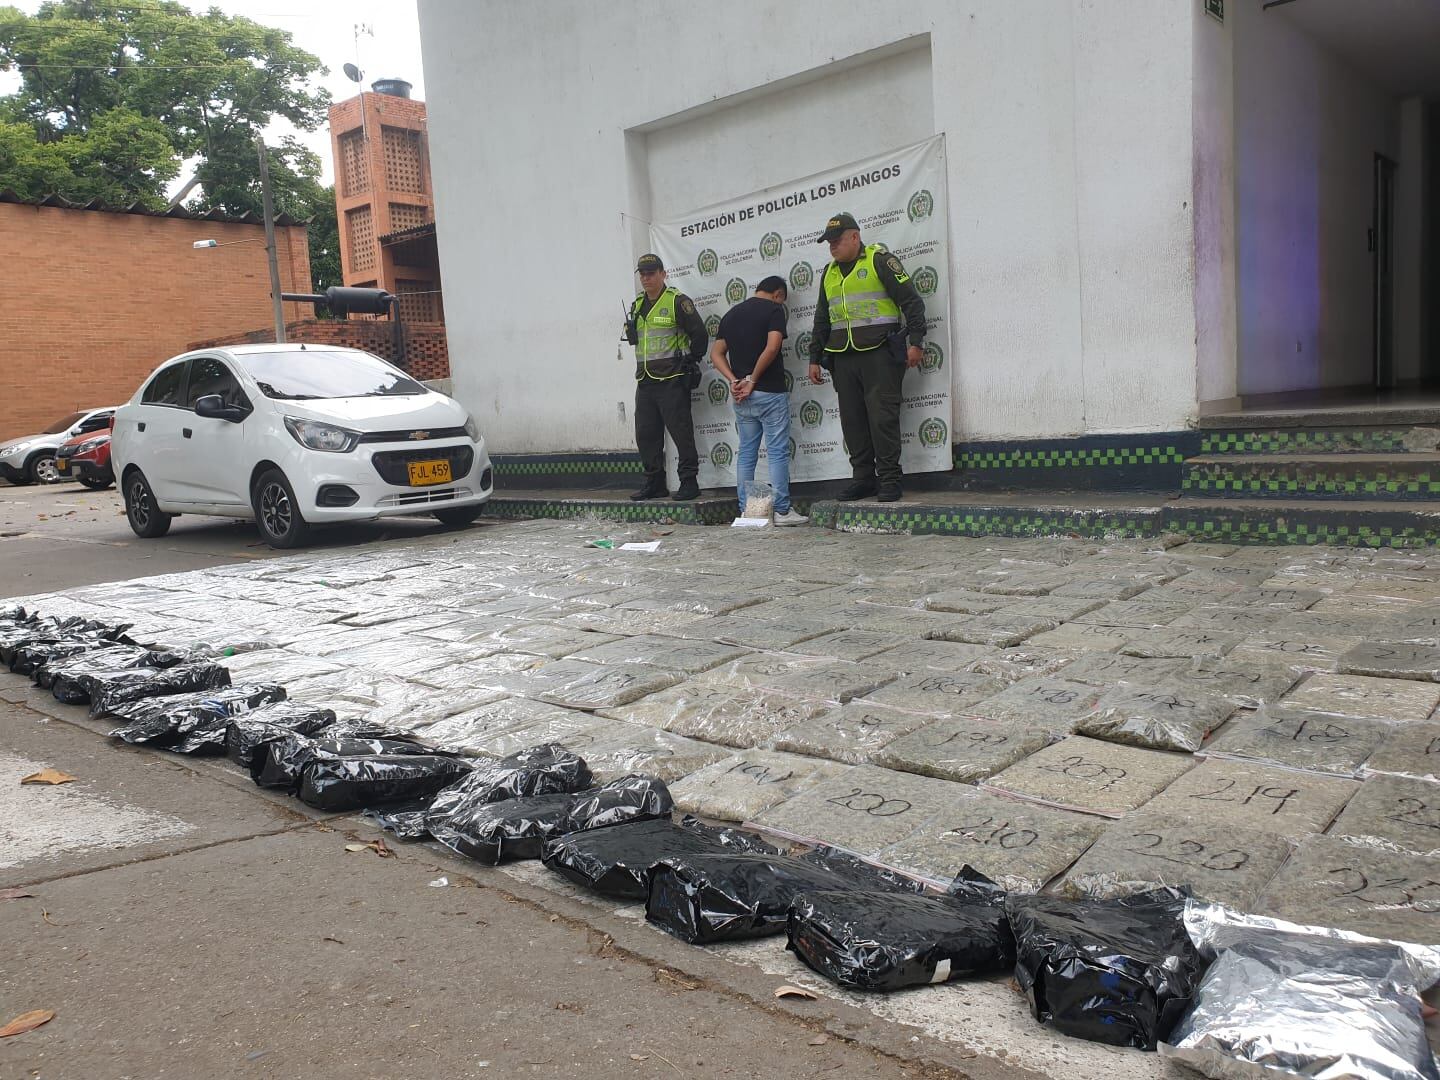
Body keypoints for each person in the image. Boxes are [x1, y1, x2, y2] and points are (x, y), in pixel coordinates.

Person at [806, 212, 926, 502]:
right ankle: (862, 479)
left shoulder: (880, 261)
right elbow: (822, 318)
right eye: (829, 242)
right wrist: (814, 357)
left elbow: (911, 301)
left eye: (837, 241)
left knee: (882, 418)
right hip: (842, 358)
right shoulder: (829, 272)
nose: (832, 246)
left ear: (855, 237)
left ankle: (889, 480)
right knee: (853, 422)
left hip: (880, 354)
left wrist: (917, 342)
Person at [710, 276, 807, 526]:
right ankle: (782, 511)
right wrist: (752, 379)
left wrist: (734, 380)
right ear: (777, 294)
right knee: (776, 452)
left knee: (746, 454)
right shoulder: (774, 310)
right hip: (769, 392)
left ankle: (746, 510)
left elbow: (716, 354)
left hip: (741, 396)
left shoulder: (731, 314)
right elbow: (773, 347)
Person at [624, 253, 707, 501]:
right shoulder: (637, 304)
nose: (646, 278)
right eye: (642, 274)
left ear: (663, 274)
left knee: (681, 432)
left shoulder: (677, 301)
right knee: (646, 434)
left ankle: (689, 482)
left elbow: (700, 335)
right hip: (646, 380)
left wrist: (690, 361)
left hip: (672, 378)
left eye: (651, 273)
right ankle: (655, 483)